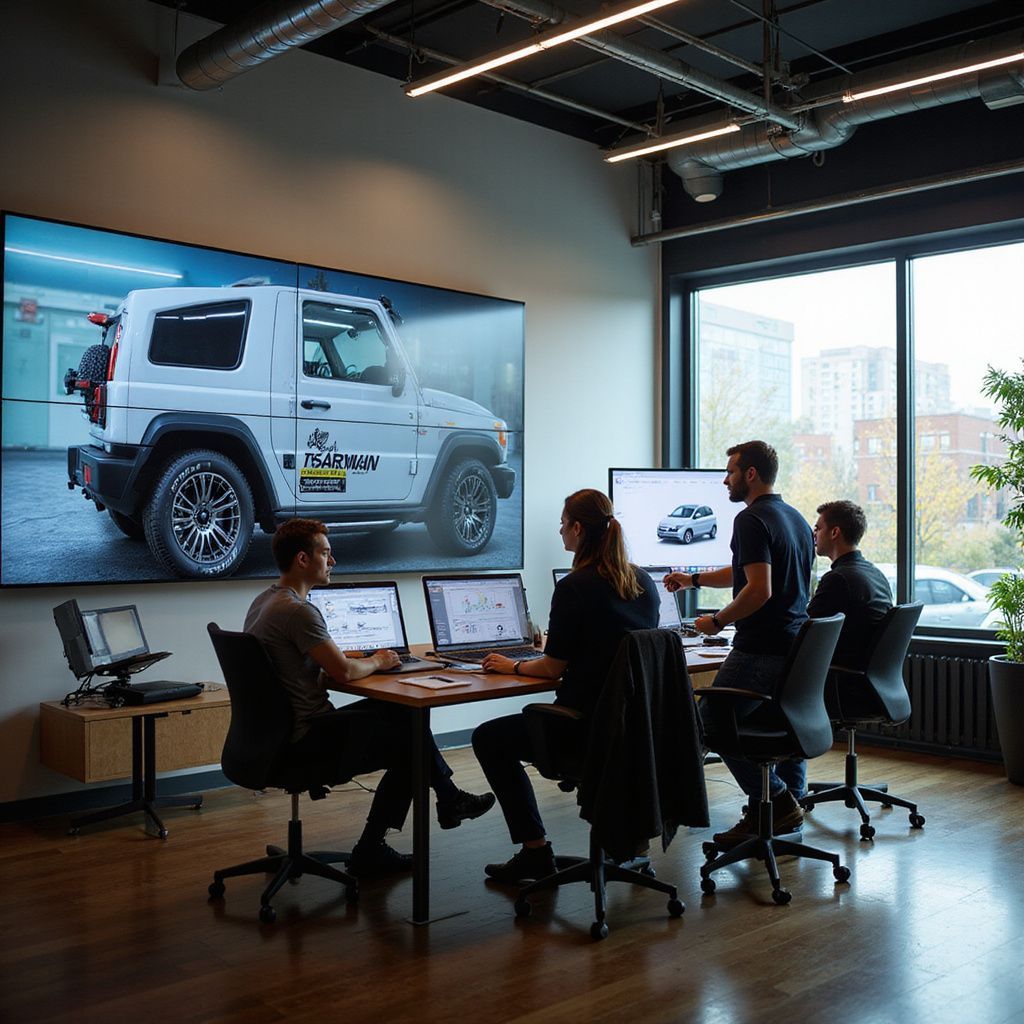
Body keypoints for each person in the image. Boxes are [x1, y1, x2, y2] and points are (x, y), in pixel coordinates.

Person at [244, 518, 494, 875]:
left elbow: (316, 664)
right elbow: (342, 673)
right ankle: (394, 833)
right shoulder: (298, 611)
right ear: (303, 559)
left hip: (274, 737)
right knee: (410, 738)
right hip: (307, 738)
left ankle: (445, 800)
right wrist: (378, 660)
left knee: (402, 715)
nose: (332, 562)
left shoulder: (265, 600)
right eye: (326, 554)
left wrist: (352, 660)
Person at [471, 489, 660, 884]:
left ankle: (535, 851)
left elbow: (553, 668)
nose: (559, 531)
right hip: (636, 729)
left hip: (583, 728)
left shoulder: (575, 586)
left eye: (562, 523)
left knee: (489, 738)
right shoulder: (643, 580)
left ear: (577, 528)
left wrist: (515, 665)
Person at [664, 440, 813, 846]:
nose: (725, 480)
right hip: (794, 646)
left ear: (750, 474)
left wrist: (716, 621)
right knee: (781, 722)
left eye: (729, 471)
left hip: (761, 647)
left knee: (707, 722)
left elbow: (758, 590)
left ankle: (775, 802)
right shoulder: (795, 518)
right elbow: (746, 572)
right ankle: (789, 809)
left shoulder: (750, 520)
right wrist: (693, 579)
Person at [808, 499, 894, 713]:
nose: (814, 535)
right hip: (871, 682)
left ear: (835, 532)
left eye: (818, 528)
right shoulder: (874, 573)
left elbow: (803, 631)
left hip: (844, 684)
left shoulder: (839, 579)